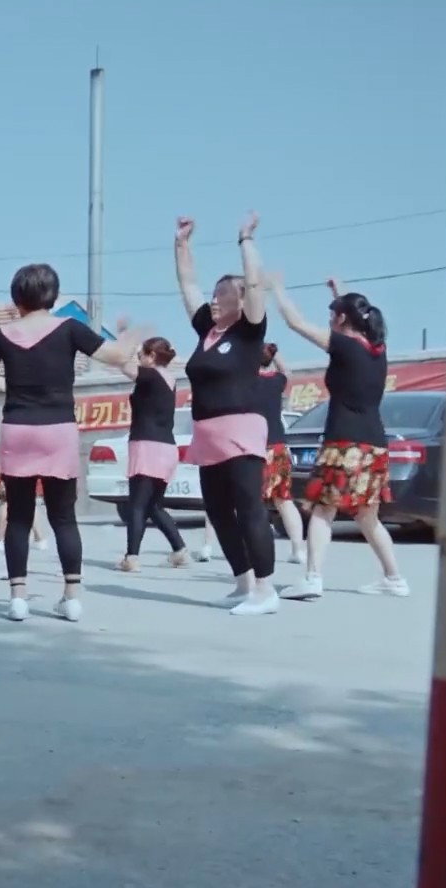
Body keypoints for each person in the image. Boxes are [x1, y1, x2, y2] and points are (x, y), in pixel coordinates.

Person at [0, 264, 143, 623]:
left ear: (17, 297)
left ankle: (18, 598)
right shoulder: (70, 328)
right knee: (63, 517)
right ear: (53, 296)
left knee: (19, 517)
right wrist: (132, 332)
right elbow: (117, 356)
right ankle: (71, 598)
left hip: (17, 428)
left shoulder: (4, 334)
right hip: (58, 429)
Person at [268, 274, 409, 599]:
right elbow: (355, 318)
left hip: (344, 443)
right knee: (367, 516)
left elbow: (295, 322)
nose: (329, 320)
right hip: (374, 444)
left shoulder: (344, 346)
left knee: (323, 510)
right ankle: (394, 578)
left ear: (342, 318)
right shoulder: (377, 350)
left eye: (333, 315)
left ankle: (312, 578)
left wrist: (277, 288)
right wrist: (339, 293)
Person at [173, 213, 278, 615]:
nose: (214, 299)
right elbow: (188, 284)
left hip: (241, 431)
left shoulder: (249, 330)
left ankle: (266, 590)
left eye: (222, 294)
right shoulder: (207, 330)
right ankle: (243, 583)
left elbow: (255, 284)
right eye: (213, 294)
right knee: (217, 511)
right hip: (208, 435)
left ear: (241, 299)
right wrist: (182, 244)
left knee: (248, 507)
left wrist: (245, 241)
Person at [103, 334, 191, 571]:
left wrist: (125, 345)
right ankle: (180, 550)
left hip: (146, 446)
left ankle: (131, 557)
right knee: (153, 505)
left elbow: (124, 366)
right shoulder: (170, 379)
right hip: (166, 447)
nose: (139, 358)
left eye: (141, 354)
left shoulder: (151, 375)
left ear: (151, 356)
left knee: (137, 504)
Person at [256, 342, 307, 565]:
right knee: (284, 500)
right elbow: (287, 371)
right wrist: (275, 354)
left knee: (253, 502)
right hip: (277, 446)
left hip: (254, 446)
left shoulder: (245, 381)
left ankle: (258, 549)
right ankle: (298, 549)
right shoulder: (276, 381)